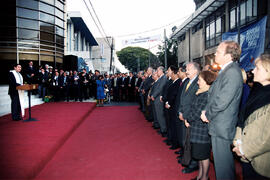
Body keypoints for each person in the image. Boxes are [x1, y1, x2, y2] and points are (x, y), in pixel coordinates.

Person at [201, 41, 243, 180]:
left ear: (229, 55)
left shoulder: (232, 72)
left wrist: (207, 114)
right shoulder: (225, 70)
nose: (215, 53)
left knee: (224, 169)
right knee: (221, 166)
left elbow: (222, 101)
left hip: (222, 127)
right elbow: (214, 96)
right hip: (218, 125)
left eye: (219, 51)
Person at [233, 54, 270, 179]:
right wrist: (237, 142)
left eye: (257, 68)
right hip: (245, 156)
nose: (253, 71)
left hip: (261, 160)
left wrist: (245, 150)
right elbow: (242, 117)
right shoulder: (257, 90)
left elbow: (267, 138)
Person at [184, 71, 216, 180]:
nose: (198, 82)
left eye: (200, 80)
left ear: (207, 81)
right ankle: (200, 176)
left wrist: (188, 119)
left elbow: (198, 112)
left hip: (202, 131)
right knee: (199, 157)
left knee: (204, 157)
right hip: (197, 129)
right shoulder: (201, 92)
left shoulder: (206, 94)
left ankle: (205, 177)